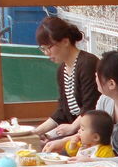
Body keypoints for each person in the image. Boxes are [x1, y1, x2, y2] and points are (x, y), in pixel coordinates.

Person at [33, 16, 99, 144]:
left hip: (91, 132)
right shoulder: (62, 69)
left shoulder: (87, 64)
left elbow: (91, 107)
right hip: (76, 131)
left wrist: (72, 127)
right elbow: (63, 110)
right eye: (43, 49)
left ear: (65, 41)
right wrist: (35, 132)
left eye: (49, 47)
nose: (46, 53)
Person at [49, 108, 116, 159]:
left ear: (95, 137)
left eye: (82, 129)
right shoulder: (82, 144)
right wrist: (72, 144)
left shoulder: (105, 151)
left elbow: (106, 166)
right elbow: (72, 153)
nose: (79, 131)